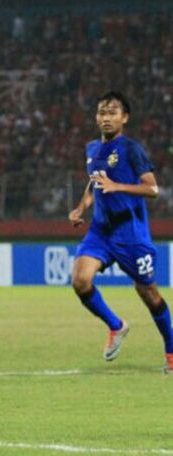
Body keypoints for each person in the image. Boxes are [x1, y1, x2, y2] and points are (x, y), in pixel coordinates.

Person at [69, 91, 172, 373]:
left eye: (113, 112)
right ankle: (116, 326)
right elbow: (94, 185)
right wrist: (81, 208)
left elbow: (152, 188)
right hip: (101, 231)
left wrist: (119, 187)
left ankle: (172, 351)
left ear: (124, 118)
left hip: (131, 234)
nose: (106, 117)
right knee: (80, 280)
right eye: (102, 112)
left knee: (149, 294)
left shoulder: (131, 149)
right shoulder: (92, 149)